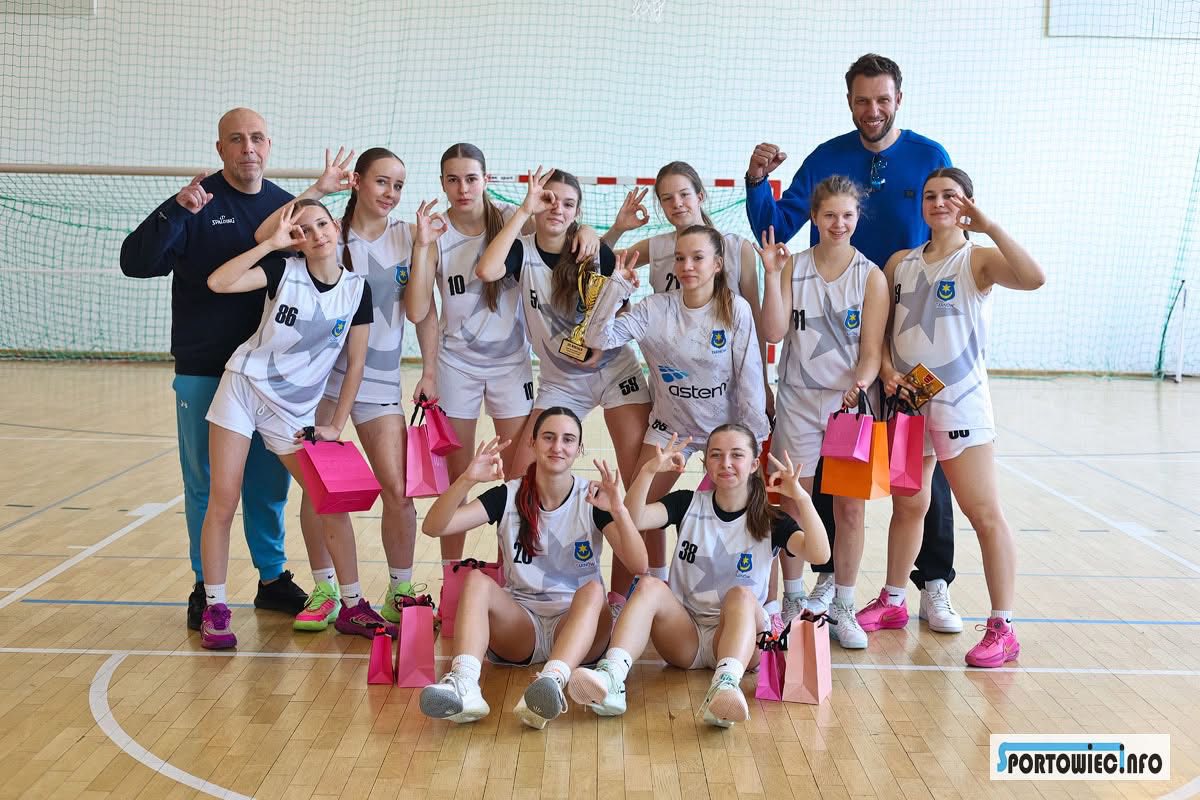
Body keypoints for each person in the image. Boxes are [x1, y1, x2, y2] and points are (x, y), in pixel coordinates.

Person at [745, 54, 961, 633]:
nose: (873, 109)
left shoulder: (928, 154)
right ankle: (823, 583)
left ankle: (930, 581)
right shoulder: (826, 159)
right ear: (849, 102)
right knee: (822, 482)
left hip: (905, 322)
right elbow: (777, 228)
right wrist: (755, 185)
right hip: (831, 328)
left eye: (882, 99)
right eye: (863, 100)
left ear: (898, 99)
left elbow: (948, 223)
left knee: (920, 463)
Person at [119, 109, 345, 628]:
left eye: (257, 138)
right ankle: (207, 586)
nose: (248, 148)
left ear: (270, 145)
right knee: (207, 485)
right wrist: (176, 209)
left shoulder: (284, 208)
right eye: (237, 140)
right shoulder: (196, 202)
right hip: (205, 367)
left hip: (271, 379)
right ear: (220, 148)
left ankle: (272, 578)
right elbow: (136, 262)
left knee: (269, 487)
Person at [258, 148, 441, 630]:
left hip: (379, 383)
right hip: (322, 384)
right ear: (357, 181)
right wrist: (318, 189)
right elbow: (269, 234)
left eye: (398, 185)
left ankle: (400, 590)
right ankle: (325, 591)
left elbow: (422, 311)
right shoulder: (326, 232)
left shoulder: (411, 236)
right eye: (382, 181)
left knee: (398, 489)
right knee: (322, 491)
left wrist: (430, 370)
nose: (391, 193)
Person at [868, 167, 1044, 667]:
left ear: (968, 202)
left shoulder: (978, 259)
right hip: (909, 405)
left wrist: (991, 227)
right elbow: (884, 332)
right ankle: (894, 600)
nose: (939, 202)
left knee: (983, 514)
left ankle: (1003, 627)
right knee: (909, 506)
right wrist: (886, 370)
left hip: (960, 405)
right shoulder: (900, 263)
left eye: (950, 195)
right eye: (930, 195)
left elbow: (1034, 278)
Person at [404, 145, 600, 570]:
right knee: (459, 476)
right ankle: (453, 577)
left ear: (486, 180)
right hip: (457, 366)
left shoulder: (518, 216)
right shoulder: (436, 233)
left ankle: (508, 574)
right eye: (452, 180)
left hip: (511, 365)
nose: (462, 188)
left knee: (517, 478)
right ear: (442, 183)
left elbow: (561, 223)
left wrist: (587, 230)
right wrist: (420, 248)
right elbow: (418, 312)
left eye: (471, 178)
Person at [198, 199, 380, 649]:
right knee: (224, 498)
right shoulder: (283, 271)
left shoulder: (357, 290)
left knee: (331, 502)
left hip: (294, 412)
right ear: (295, 240)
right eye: (304, 230)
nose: (316, 234)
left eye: (322, 224)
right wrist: (270, 245)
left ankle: (352, 604)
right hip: (244, 388)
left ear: (336, 227)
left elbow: (356, 364)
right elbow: (218, 282)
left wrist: (336, 423)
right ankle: (215, 609)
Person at [568, 427, 828, 727]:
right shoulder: (687, 503)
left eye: (736, 455)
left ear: (754, 464)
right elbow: (634, 519)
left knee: (741, 594)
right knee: (650, 584)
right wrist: (649, 471)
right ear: (706, 463)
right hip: (685, 636)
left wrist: (802, 498)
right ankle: (612, 677)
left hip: (741, 639)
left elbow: (820, 555)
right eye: (716, 455)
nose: (725, 463)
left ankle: (725, 686)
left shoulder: (773, 519)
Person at [417, 409, 647, 728]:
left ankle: (551, 682)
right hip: (521, 626)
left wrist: (619, 511)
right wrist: (467, 479)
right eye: (549, 437)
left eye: (568, 439)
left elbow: (639, 564)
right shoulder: (507, 495)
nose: (558, 447)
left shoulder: (592, 498)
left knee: (594, 590)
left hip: (578, 627)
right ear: (533, 442)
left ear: (579, 448)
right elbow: (434, 527)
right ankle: (465, 684)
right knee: (476, 581)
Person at [582, 226, 770, 588]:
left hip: (724, 432)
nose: (687, 266)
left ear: (717, 265)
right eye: (680, 258)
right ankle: (649, 586)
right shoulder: (655, 309)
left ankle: (770, 602)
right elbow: (596, 337)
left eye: (698, 258)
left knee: (754, 515)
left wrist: (753, 443)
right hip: (671, 429)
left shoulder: (736, 310)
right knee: (634, 513)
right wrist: (616, 288)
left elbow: (749, 383)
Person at [757, 175, 888, 648]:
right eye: (829, 214)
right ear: (814, 217)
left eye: (847, 215)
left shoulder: (871, 277)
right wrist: (771, 276)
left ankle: (843, 605)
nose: (839, 223)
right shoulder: (794, 267)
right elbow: (774, 333)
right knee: (794, 500)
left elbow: (871, 353)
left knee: (849, 508)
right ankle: (793, 599)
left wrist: (861, 383)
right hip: (797, 402)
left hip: (849, 408)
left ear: (857, 218)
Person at [474, 166, 651, 493]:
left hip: (615, 372)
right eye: (549, 200)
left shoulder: (596, 252)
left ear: (577, 212)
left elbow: (623, 312)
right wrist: (524, 211)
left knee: (640, 484)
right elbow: (486, 270)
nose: (557, 209)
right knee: (521, 484)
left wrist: (602, 343)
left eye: (568, 204)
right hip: (561, 382)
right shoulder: (522, 251)